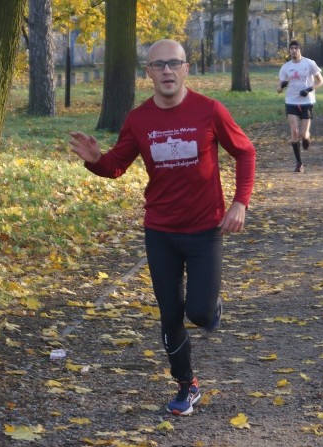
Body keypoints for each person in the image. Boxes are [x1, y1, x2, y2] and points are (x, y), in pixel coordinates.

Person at [68, 39, 256, 417]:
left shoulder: (210, 110)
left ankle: (210, 304)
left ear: (187, 69)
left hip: (205, 230)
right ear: (148, 73)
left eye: (174, 63)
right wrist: (95, 160)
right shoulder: (138, 120)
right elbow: (116, 167)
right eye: (158, 65)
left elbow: (245, 152)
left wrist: (240, 202)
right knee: (169, 313)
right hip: (161, 231)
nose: (167, 71)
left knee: (200, 314)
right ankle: (186, 384)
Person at [277, 40, 323, 173]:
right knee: (294, 132)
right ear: (289, 51)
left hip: (307, 102)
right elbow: (278, 89)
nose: (293, 50)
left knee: (303, 134)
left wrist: (309, 89)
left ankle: (306, 138)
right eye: (291, 48)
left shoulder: (309, 63)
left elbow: (321, 81)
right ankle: (299, 163)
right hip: (291, 101)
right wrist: (282, 85)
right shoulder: (286, 67)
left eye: (296, 48)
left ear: (300, 50)